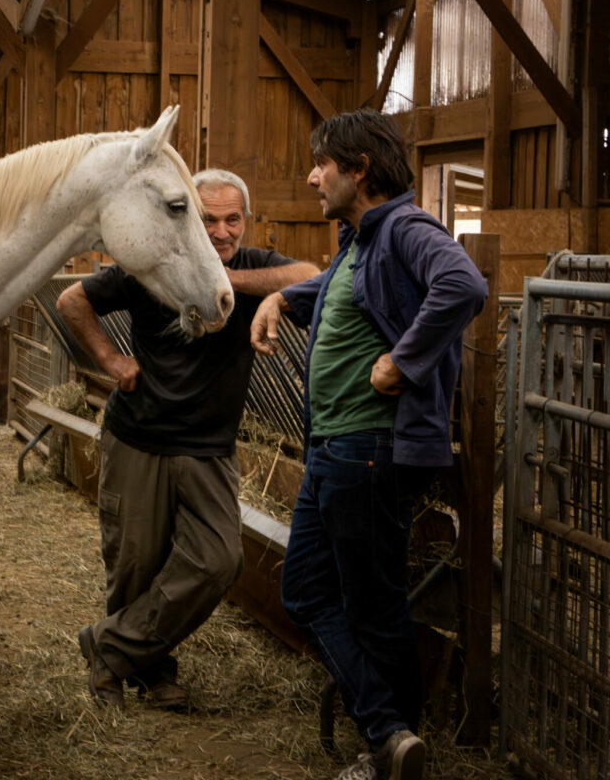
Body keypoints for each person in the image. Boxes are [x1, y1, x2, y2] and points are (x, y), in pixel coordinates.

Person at [249, 109, 489, 780]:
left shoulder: (407, 228)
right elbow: (335, 287)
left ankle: (389, 743)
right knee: (304, 591)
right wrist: (280, 302)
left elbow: (464, 285)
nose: (310, 176)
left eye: (321, 163)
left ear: (358, 170)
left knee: (374, 603)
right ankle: (389, 731)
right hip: (334, 449)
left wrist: (402, 362)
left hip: (370, 450)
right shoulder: (362, 239)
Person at [56, 167, 318, 711]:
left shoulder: (251, 266)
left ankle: (107, 646)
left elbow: (312, 274)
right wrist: (109, 359)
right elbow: (71, 301)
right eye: (208, 220)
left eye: (232, 220)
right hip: (138, 438)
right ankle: (143, 672)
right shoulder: (150, 263)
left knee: (219, 559)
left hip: (208, 447)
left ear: (246, 222)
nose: (221, 232)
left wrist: (225, 283)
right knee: (136, 564)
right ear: (188, 220)